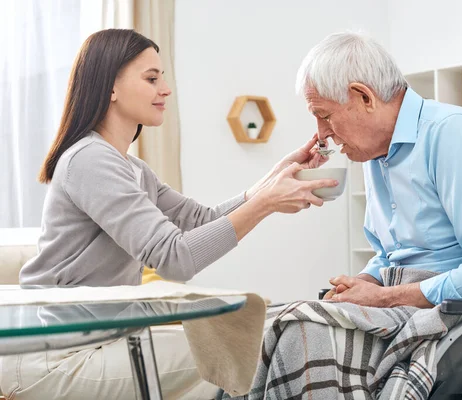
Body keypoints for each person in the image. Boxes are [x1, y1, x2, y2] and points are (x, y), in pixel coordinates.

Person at [1, 29, 338, 400]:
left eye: (162, 77)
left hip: (97, 341)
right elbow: (175, 258)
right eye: (151, 78)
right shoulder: (90, 160)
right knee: (248, 345)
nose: (165, 89)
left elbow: (200, 220)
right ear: (109, 87)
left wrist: (274, 178)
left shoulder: (132, 168)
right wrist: (266, 204)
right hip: (53, 355)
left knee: (249, 339)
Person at [296, 32, 462, 308]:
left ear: (364, 97)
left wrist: (384, 298)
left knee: (298, 330)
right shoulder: (375, 154)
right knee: (295, 319)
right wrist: (362, 285)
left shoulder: (452, 133)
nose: (322, 136)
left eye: (325, 116)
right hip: (421, 311)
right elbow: (391, 256)